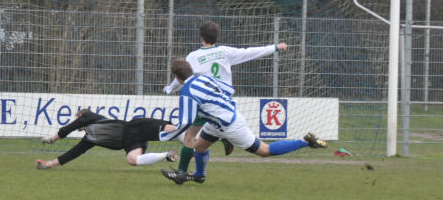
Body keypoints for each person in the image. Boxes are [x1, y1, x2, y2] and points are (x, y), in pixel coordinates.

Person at [159, 58, 327, 184]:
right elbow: (228, 89)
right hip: (220, 120)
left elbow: (186, 120)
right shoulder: (204, 78)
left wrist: (166, 135)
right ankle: (199, 175)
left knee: (264, 151)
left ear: (176, 77)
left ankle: (304, 141)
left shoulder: (187, 92)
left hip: (229, 125)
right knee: (200, 146)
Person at [163, 20, 288, 176]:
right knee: (204, 138)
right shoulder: (225, 52)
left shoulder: (194, 57)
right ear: (217, 37)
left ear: (201, 37)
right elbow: (249, 52)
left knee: (189, 135)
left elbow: (182, 77)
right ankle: (221, 141)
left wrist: (169, 89)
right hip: (225, 101)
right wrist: (275, 47)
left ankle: (182, 172)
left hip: (206, 101)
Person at [35, 108, 179, 170]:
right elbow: (72, 154)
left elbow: (67, 129)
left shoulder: (89, 116)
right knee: (132, 160)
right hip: (129, 143)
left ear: (82, 116)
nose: (77, 122)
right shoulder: (89, 139)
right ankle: (167, 155)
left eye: (78, 119)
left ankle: (192, 148)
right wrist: (48, 165)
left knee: (172, 129)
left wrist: (52, 139)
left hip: (135, 127)